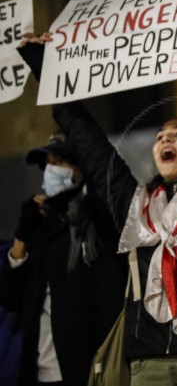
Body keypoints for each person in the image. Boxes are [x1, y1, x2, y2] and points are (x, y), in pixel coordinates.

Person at [16, 0, 177, 386]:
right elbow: (89, 143)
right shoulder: (135, 204)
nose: (166, 139)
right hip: (149, 367)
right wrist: (46, 70)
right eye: (161, 136)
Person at [0, 130, 127, 385]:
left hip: (88, 369)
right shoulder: (42, 224)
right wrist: (23, 236)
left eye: (61, 162)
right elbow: (11, 297)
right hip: (40, 370)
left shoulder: (99, 220)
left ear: (81, 170)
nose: (51, 169)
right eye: (48, 164)